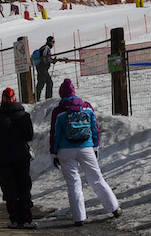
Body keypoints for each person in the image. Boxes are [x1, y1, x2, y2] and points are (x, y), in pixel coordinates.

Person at [51, 78, 121, 227]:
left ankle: (79, 218)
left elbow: (55, 134)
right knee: (97, 179)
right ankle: (114, 208)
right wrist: (94, 147)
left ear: (61, 93)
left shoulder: (59, 111)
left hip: (65, 151)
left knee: (73, 183)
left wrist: (54, 153)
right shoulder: (86, 107)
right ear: (74, 92)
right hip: (86, 148)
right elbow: (95, 129)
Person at [0, 87, 36, 229]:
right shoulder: (24, 116)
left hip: (3, 158)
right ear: (15, 98)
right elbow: (29, 136)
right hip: (21, 156)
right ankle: (27, 220)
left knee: (9, 189)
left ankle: (14, 220)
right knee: (24, 186)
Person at [35, 36, 56, 102]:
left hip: (40, 68)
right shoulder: (46, 49)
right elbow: (46, 59)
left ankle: (36, 98)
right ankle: (48, 98)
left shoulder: (43, 48)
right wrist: (52, 61)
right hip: (42, 69)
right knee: (49, 83)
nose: (53, 44)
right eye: (53, 42)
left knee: (41, 83)